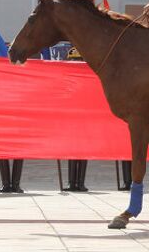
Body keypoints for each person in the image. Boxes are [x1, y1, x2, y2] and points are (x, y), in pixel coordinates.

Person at [62, 45, 89, 193]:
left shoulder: (89, 77)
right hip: (72, 119)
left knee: (83, 151)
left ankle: (81, 182)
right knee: (72, 150)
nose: (76, 63)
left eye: (79, 60)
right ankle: (72, 182)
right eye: (74, 60)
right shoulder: (68, 80)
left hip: (84, 119)